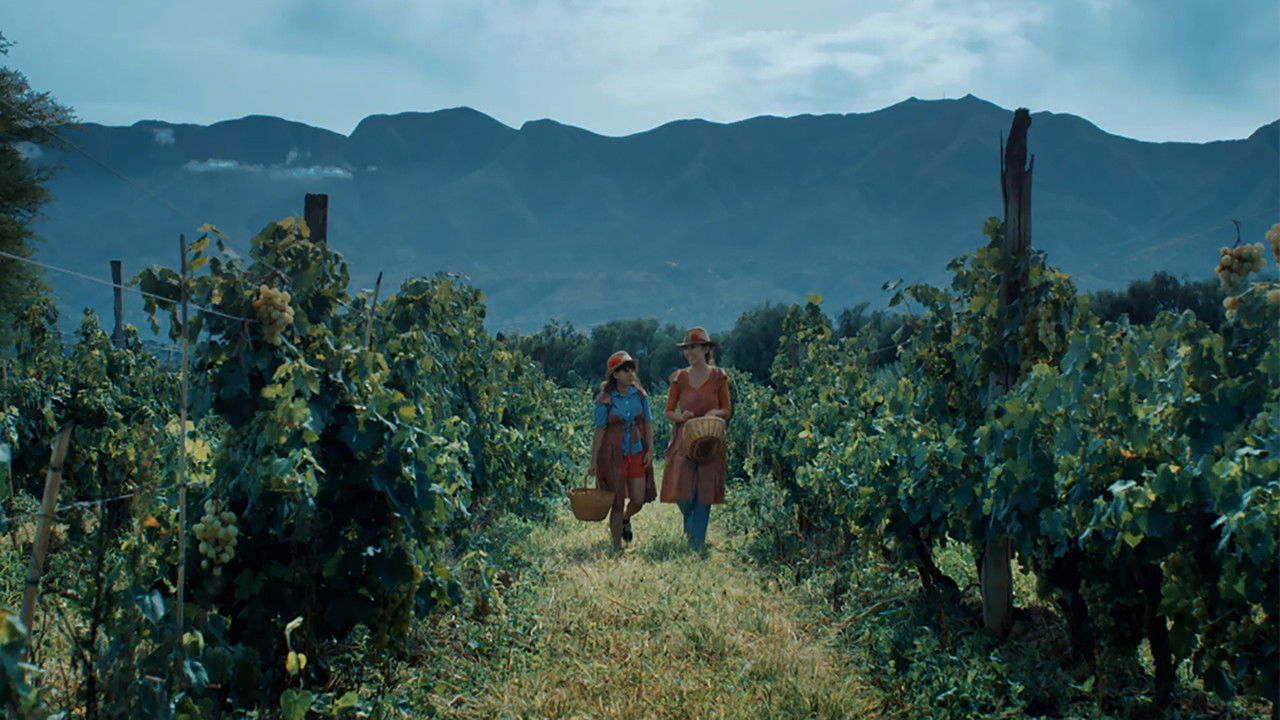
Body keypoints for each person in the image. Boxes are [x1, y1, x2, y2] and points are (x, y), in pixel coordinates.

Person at [660, 327, 731, 551]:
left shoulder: (718, 377)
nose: (689, 352)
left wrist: (714, 413)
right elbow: (668, 411)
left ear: (706, 349)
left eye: (693, 347)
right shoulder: (680, 378)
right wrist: (680, 417)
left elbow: (726, 409)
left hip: (710, 437)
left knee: (705, 489)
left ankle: (696, 543)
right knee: (681, 489)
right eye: (686, 348)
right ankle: (690, 520)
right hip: (684, 436)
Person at [588, 351, 656, 550]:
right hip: (613, 455)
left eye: (632, 369)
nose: (630, 373)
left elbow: (647, 424)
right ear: (615, 375)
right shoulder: (605, 400)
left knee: (638, 499)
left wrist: (650, 450)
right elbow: (600, 431)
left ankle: (627, 518)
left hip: (636, 451)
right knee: (616, 502)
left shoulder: (640, 395)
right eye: (625, 370)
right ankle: (616, 546)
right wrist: (594, 460)